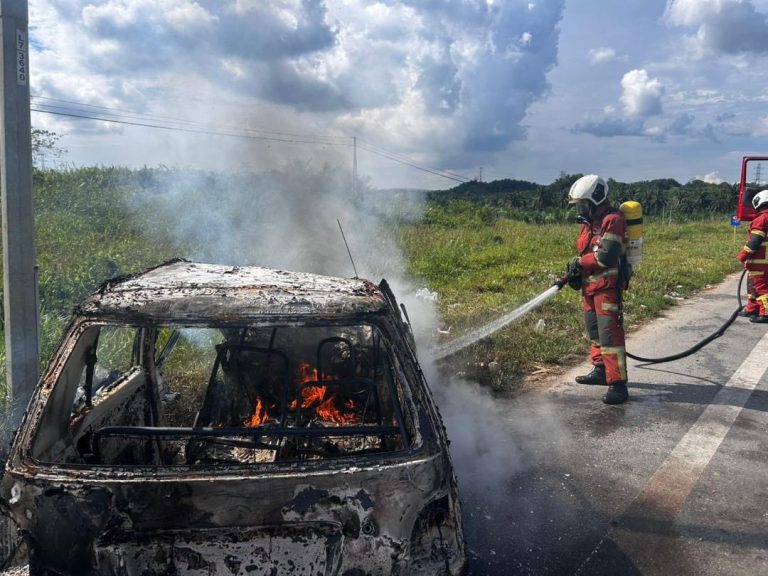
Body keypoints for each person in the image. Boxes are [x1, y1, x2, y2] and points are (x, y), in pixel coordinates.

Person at [566, 174, 629, 405]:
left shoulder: (612, 220)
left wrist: (579, 264)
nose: (580, 209)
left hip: (606, 288)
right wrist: (575, 272)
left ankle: (618, 385)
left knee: (610, 336)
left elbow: (606, 255)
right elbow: (585, 252)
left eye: (583, 204)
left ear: (596, 199)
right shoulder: (589, 223)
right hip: (589, 288)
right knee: (594, 332)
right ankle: (601, 370)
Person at [737, 190, 768, 323]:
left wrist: (742, 255)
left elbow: (754, 241)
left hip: (760, 261)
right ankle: (752, 308)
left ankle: (765, 313)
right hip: (761, 261)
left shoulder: (762, 219)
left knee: (761, 287)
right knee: (753, 286)